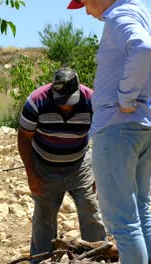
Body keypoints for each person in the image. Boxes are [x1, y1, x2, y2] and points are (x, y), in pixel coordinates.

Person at [67, 0, 151, 263]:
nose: (87, 12)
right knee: (140, 212)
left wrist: (126, 98)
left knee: (124, 224)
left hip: (117, 128)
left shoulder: (118, 16)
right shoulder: (140, 11)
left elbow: (143, 49)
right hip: (141, 125)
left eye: (83, 4)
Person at [17, 68, 107, 263]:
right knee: (44, 218)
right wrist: (31, 175)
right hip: (44, 166)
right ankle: (42, 260)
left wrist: (100, 172)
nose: (66, 106)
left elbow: (102, 137)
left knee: (91, 210)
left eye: (69, 101)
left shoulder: (92, 101)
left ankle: (99, 257)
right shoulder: (36, 101)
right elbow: (24, 138)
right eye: (61, 101)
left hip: (80, 164)